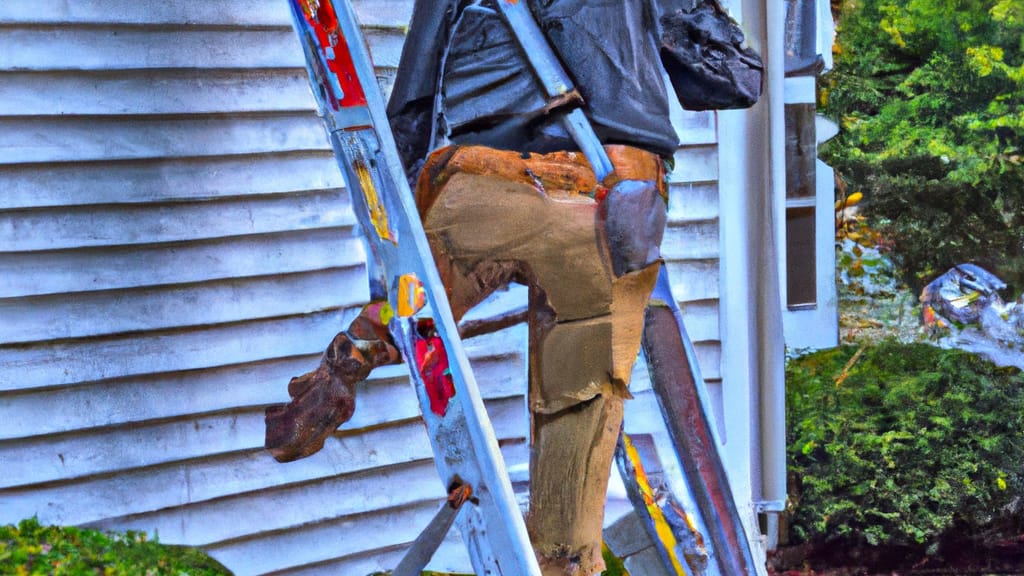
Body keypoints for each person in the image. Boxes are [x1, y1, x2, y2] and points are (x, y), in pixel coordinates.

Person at [266, 1, 760, 573]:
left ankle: (351, 355)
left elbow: (412, 113)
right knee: (576, 437)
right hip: (612, 206)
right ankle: (563, 557)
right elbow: (736, 81)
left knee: (416, 300)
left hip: (487, 190)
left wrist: (394, 256)